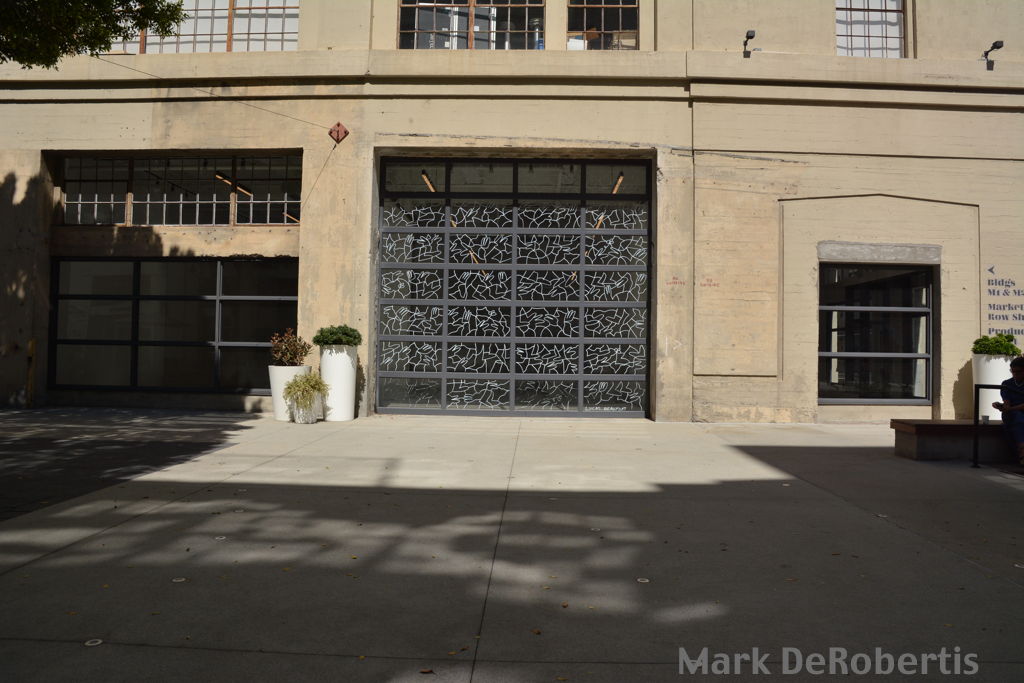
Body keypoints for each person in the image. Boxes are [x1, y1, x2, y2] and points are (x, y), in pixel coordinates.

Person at [993, 356, 1024, 464]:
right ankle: (1022, 449)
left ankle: (1021, 451)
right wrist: (1002, 406)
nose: (1015, 374)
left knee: (1016, 420)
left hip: (1016, 413)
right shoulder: (1007, 383)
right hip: (1012, 414)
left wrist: (1009, 408)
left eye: (1018, 372)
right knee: (1017, 417)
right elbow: (1007, 402)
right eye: (1012, 371)